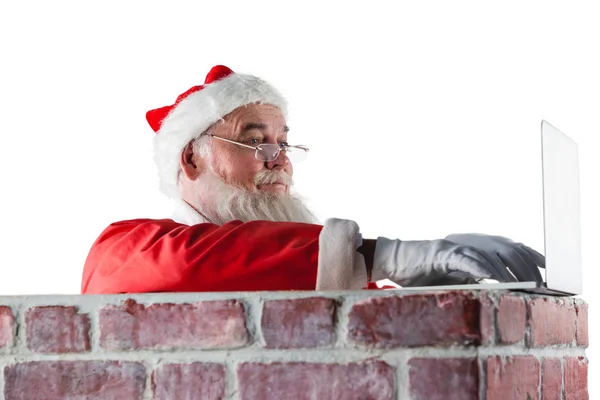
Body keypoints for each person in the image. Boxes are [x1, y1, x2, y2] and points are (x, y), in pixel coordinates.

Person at [81, 65, 545, 294]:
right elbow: (190, 265)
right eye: (256, 142)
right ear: (191, 159)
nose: (279, 161)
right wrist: (384, 254)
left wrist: (427, 296)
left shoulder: (316, 266)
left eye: (284, 144)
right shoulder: (124, 248)